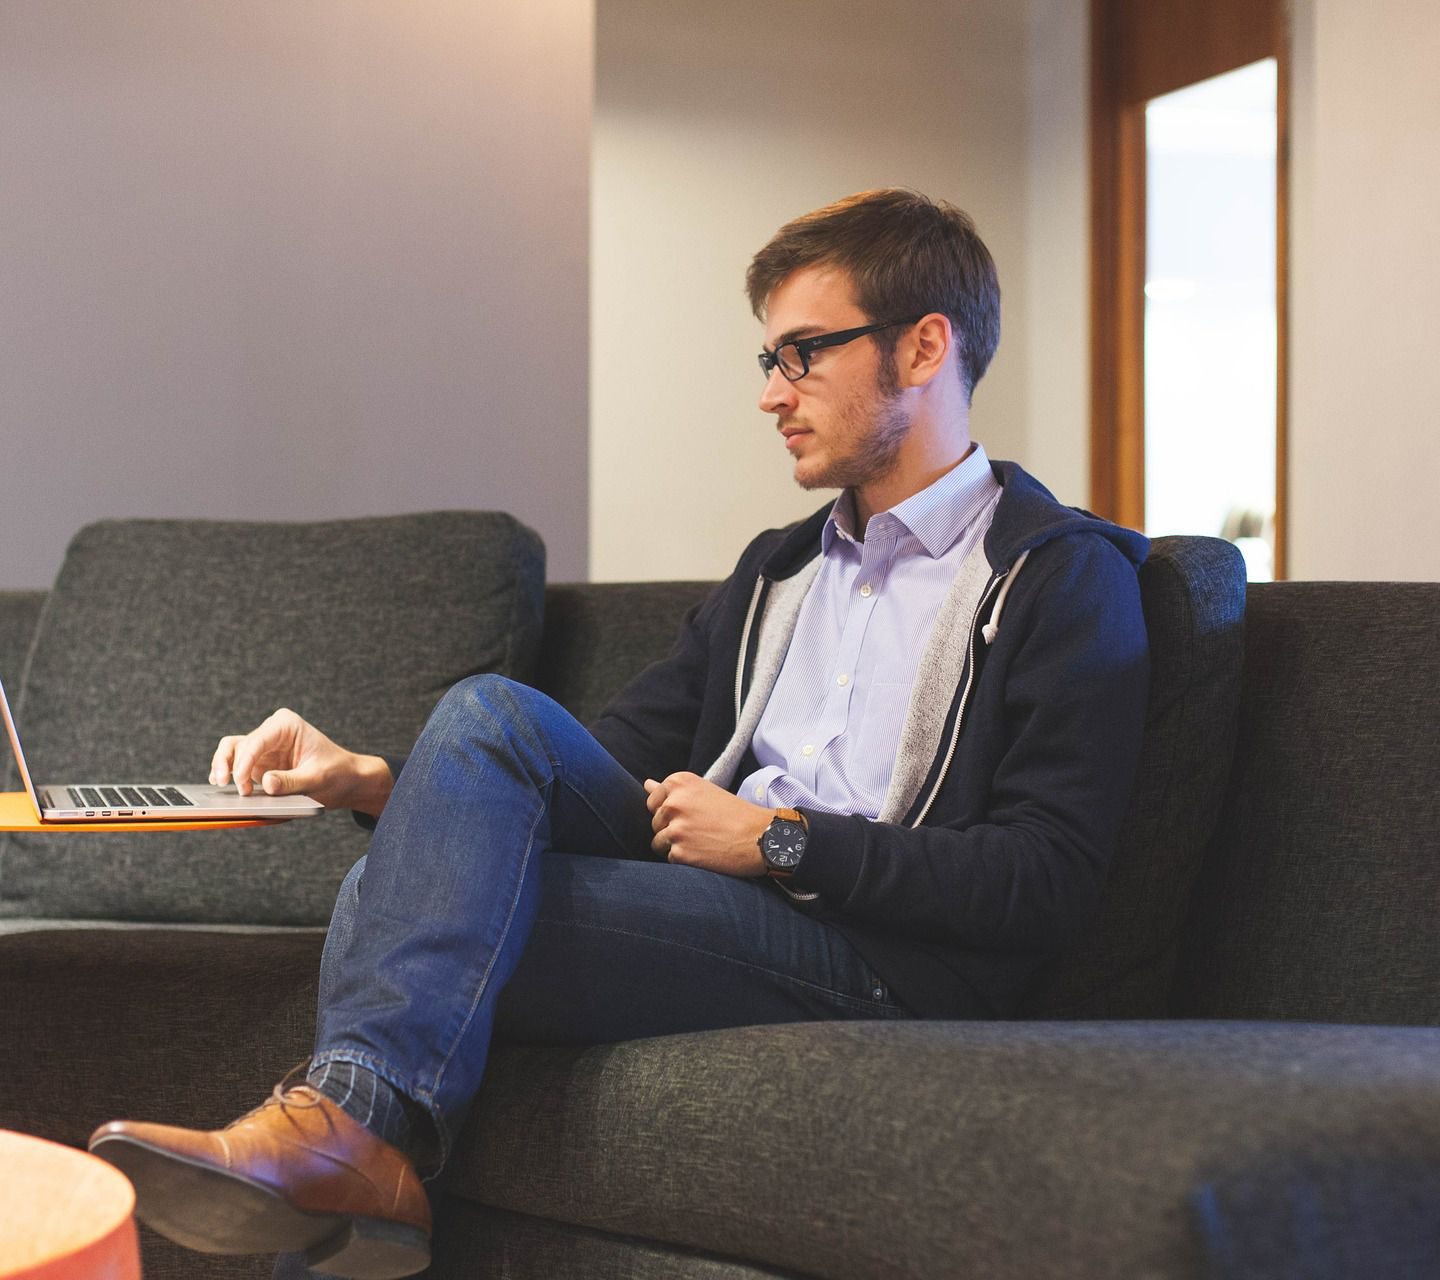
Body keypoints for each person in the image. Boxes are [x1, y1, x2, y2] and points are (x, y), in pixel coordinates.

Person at [89, 188, 1150, 1279]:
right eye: (767, 360)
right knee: (486, 724)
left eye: (803, 354)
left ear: (925, 346)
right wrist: (370, 779)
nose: (772, 395)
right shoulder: (780, 570)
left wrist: (778, 838)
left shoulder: (1058, 575)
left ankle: (350, 1144)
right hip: (726, 902)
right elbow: (578, 757)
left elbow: (1047, 876)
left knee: (394, 905)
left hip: (888, 957)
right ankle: (359, 1155)